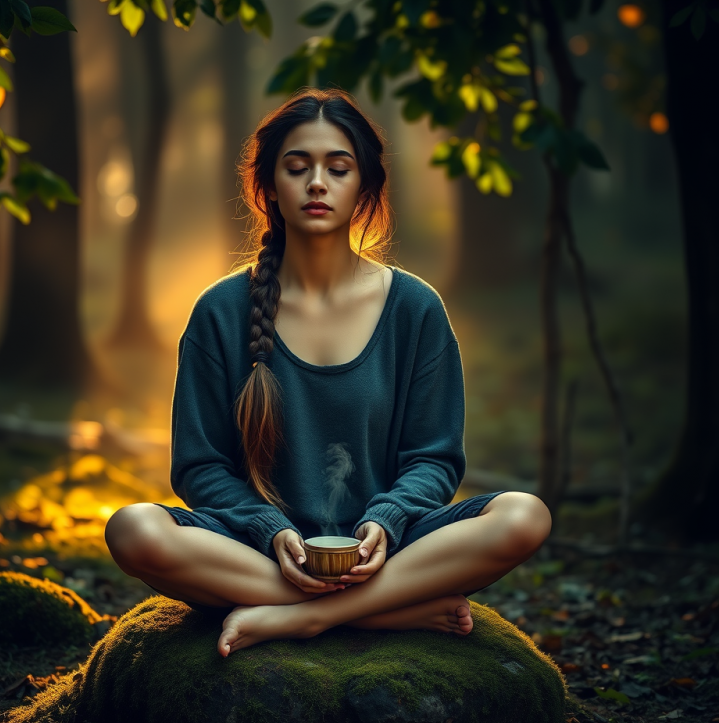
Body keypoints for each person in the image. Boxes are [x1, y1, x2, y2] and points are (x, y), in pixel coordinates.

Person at [105, 88, 552, 658]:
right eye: (297, 168)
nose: (317, 183)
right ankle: (383, 615)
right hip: (260, 551)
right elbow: (200, 465)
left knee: (523, 516)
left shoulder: (414, 308)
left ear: (364, 186)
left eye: (337, 169)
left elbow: (434, 456)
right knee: (132, 529)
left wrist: (387, 522)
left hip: (391, 545)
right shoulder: (220, 311)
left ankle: (305, 619)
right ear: (268, 186)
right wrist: (270, 529)